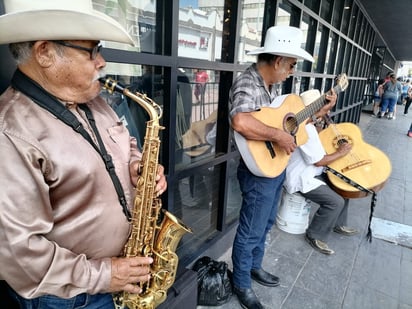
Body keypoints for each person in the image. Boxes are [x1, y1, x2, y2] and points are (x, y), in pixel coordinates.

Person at [0, 1, 168, 308]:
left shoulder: (95, 100)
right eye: (91, 50)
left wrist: (135, 165)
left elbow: (126, 142)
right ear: (45, 52)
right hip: (70, 299)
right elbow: (17, 253)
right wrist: (103, 276)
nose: (102, 61)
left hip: (117, 274)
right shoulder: (10, 132)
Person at [229, 25, 337, 309]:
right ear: (278, 61)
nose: (291, 71)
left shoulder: (271, 87)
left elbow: (289, 125)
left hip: (275, 168)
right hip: (257, 172)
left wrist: (319, 112)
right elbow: (240, 121)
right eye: (290, 65)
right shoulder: (247, 83)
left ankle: (254, 266)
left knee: (264, 225)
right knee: (251, 228)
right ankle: (241, 283)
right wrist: (278, 135)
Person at [284, 90, 358, 255]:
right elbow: (318, 160)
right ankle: (314, 234)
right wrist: (341, 152)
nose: (328, 112)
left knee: (344, 186)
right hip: (302, 178)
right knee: (335, 202)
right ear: (314, 110)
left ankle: (338, 223)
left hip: (313, 173)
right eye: (325, 109)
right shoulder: (304, 129)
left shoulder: (311, 125)